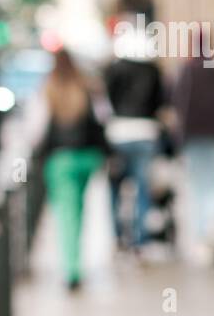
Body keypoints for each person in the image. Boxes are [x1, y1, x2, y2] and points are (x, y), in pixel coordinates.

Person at [32, 47, 108, 291]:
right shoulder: (85, 87)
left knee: (66, 213)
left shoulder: (48, 89)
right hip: (86, 157)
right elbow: (102, 117)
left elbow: (36, 127)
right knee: (77, 209)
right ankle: (75, 263)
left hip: (60, 160)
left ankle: (72, 268)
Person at [170, 53, 214, 266]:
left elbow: (176, 100)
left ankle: (202, 237)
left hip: (193, 136)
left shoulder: (187, 70)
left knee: (198, 187)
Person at [103, 45, 166, 257]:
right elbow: (160, 102)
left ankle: (119, 235)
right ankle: (140, 239)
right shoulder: (153, 70)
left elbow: (106, 101)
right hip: (145, 132)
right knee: (142, 188)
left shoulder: (114, 69)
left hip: (119, 132)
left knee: (115, 187)